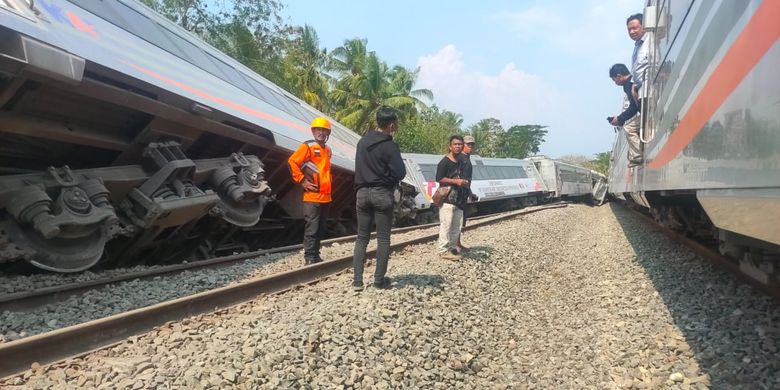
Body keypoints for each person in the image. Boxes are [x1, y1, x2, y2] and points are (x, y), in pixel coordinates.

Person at [352, 107, 407, 291]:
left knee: (362, 238)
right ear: (391, 125)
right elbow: (400, 172)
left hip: (361, 193)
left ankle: (357, 282)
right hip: (381, 193)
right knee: (383, 239)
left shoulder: (362, 142)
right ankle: (378, 281)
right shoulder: (390, 145)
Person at [288, 117, 333, 265]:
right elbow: (293, 162)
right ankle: (309, 257)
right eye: (318, 130)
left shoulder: (327, 150)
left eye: (323, 130)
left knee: (320, 228)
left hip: (326, 197)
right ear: (313, 131)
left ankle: (316, 254)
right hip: (312, 196)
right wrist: (302, 181)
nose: (321, 132)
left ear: (328, 133)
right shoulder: (308, 146)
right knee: (312, 228)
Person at [436, 135, 470, 260]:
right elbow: (439, 178)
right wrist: (456, 182)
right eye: (455, 144)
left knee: (457, 226)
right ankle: (443, 250)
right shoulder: (444, 162)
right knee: (446, 225)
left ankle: (452, 248)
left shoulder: (461, 161)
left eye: (460, 144)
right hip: (447, 199)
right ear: (450, 146)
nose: (457, 146)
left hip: (459, 199)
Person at [608, 63, 642, 167]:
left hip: (648, 113)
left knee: (629, 128)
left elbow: (634, 107)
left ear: (619, 76)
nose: (615, 83)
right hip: (648, 111)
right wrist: (620, 118)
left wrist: (619, 119)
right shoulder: (634, 80)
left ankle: (637, 156)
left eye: (615, 80)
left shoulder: (628, 84)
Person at [457, 135, 477, 252]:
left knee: (461, 220)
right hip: (458, 193)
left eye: (472, 145)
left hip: (464, 192)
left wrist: (470, 192)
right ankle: (454, 244)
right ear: (463, 145)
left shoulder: (467, 159)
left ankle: (458, 242)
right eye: (468, 144)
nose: (470, 147)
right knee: (457, 220)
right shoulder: (460, 158)